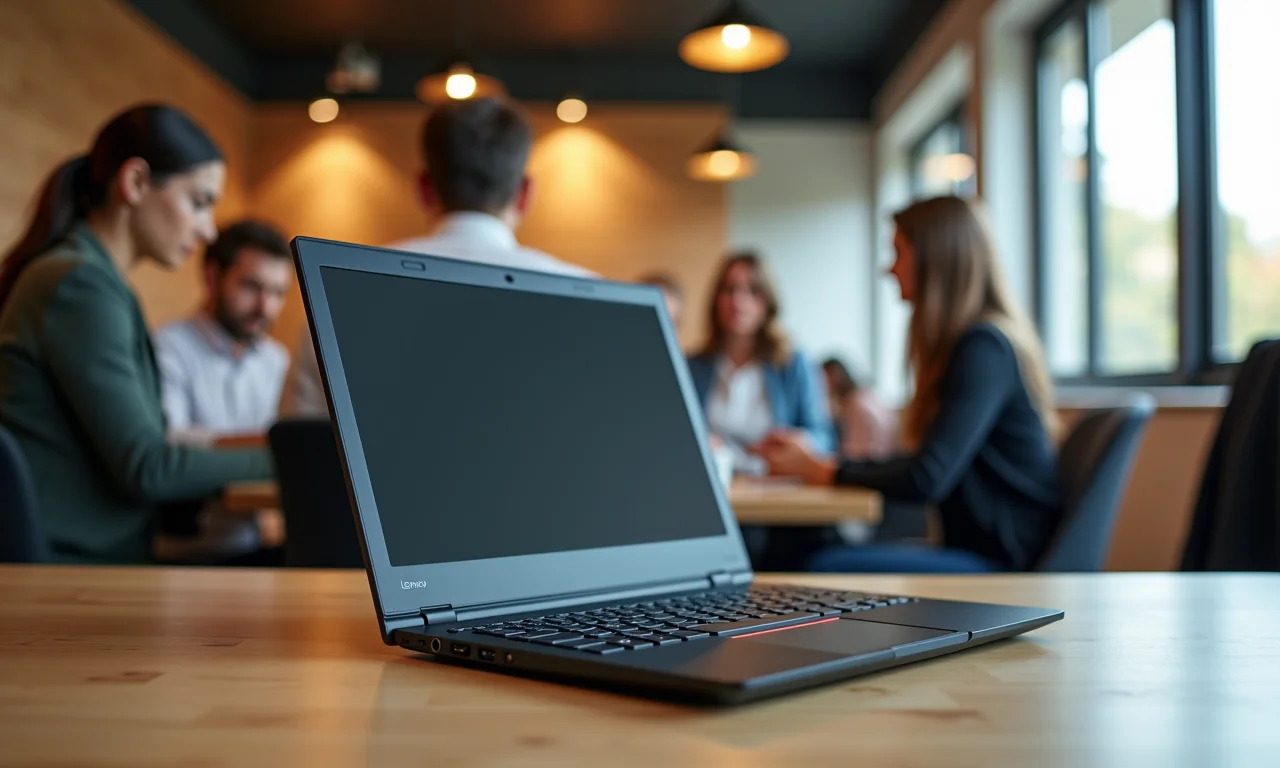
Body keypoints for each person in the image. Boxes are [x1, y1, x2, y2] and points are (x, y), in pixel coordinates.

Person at [0, 104, 273, 564]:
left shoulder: (87, 278)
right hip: (72, 571)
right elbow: (148, 467)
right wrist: (304, 460)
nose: (208, 230)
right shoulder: (80, 285)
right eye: (199, 201)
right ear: (136, 183)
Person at [760, 196, 1063, 572]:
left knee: (814, 563)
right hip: (982, 550)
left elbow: (927, 476)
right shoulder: (980, 344)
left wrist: (826, 470)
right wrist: (827, 465)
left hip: (1002, 564)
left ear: (935, 259)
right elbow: (928, 464)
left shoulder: (982, 348)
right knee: (802, 550)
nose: (890, 269)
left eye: (899, 252)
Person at [280, 96, 594, 417]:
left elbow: (305, 442)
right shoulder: (593, 302)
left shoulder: (337, 291)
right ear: (525, 194)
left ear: (423, 187)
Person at [686, 252, 834, 570]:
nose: (738, 300)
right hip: (717, 498)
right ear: (716, 300)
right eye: (729, 289)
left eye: (751, 290)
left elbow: (824, 437)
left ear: (767, 301)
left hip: (777, 502)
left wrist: (798, 442)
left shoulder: (793, 364)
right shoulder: (694, 366)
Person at [155, 220, 292, 442]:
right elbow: (170, 447)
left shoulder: (276, 360)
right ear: (212, 278)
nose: (265, 307)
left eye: (278, 292)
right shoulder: (168, 348)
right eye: (251, 286)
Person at [821, 357, 897, 461]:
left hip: (871, 464)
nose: (822, 384)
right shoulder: (865, 395)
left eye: (824, 377)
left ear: (835, 375)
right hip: (884, 459)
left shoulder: (855, 406)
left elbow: (856, 453)